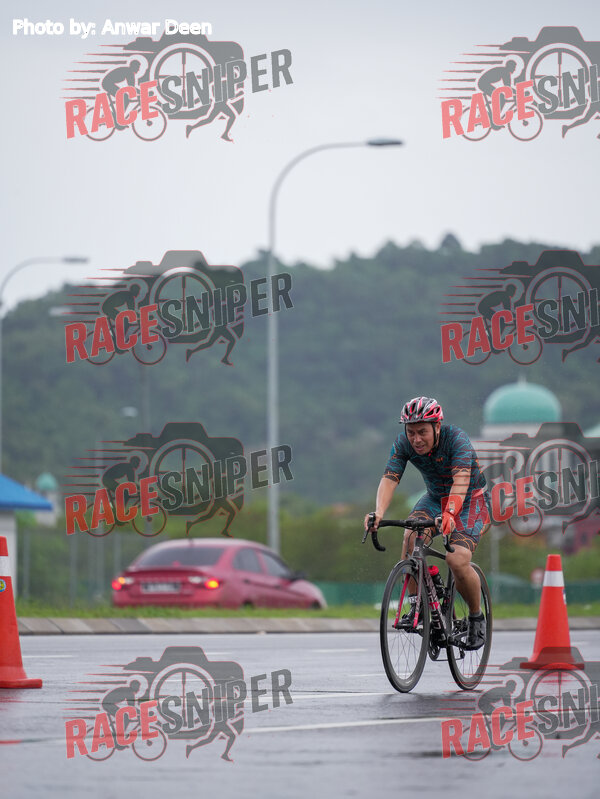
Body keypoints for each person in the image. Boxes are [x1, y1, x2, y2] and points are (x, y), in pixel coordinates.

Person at [364, 396, 491, 650]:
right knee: (411, 536)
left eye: (422, 432)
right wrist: (378, 512)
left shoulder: (457, 440)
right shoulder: (403, 443)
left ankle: (476, 617)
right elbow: (390, 478)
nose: (416, 439)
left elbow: (461, 482)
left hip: (471, 502)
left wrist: (451, 513)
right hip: (434, 499)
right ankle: (417, 606)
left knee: (456, 559)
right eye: (411, 432)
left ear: (437, 426)